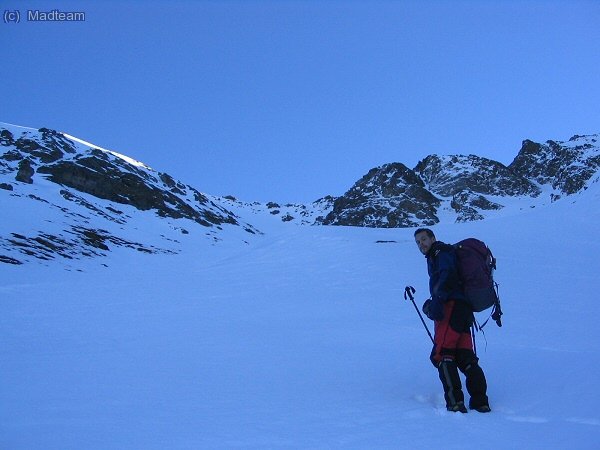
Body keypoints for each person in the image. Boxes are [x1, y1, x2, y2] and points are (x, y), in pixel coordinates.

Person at [414, 228, 491, 413]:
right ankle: (481, 402)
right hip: (463, 309)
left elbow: (447, 275)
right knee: (465, 356)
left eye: (424, 239)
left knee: (443, 354)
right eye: (418, 242)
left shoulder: (440, 252)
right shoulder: (442, 253)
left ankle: (455, 403)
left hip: (450, 306)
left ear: (433, 238)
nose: (421, 244)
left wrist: (437, 303)